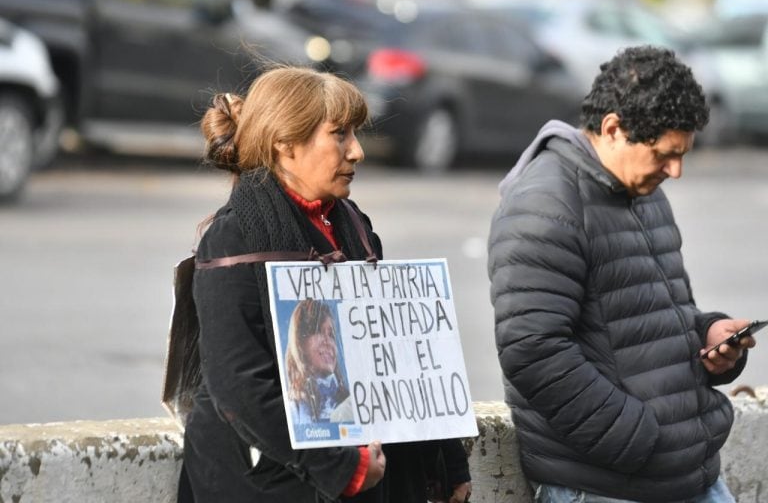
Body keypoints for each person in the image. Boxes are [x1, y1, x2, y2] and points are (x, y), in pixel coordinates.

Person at [178, 65, 472, 503]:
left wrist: (446, 461)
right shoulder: (233, 238)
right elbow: (238, 385)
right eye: (339, 134)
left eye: (355, 135)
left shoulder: (352, 225)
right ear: (284, 143)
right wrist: (341, 468)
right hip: (257, 484)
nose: (356, 152)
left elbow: (399, 359)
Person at [487, 46, 757, 503]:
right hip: (609, 482)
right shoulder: (546, 204)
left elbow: (660, 314)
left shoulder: (642, 190)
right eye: (664, 154)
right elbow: (533, 351)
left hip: (684, 473)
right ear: (613, 128)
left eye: (682, 155)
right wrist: (640, 438)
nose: (676, 170)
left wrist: (710, 334)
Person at [285, 298, 353, 424]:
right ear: (300, 343)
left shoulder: (353, 403)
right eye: (318, 331)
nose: (327, 341)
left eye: (331, 334)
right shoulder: (293, 409)